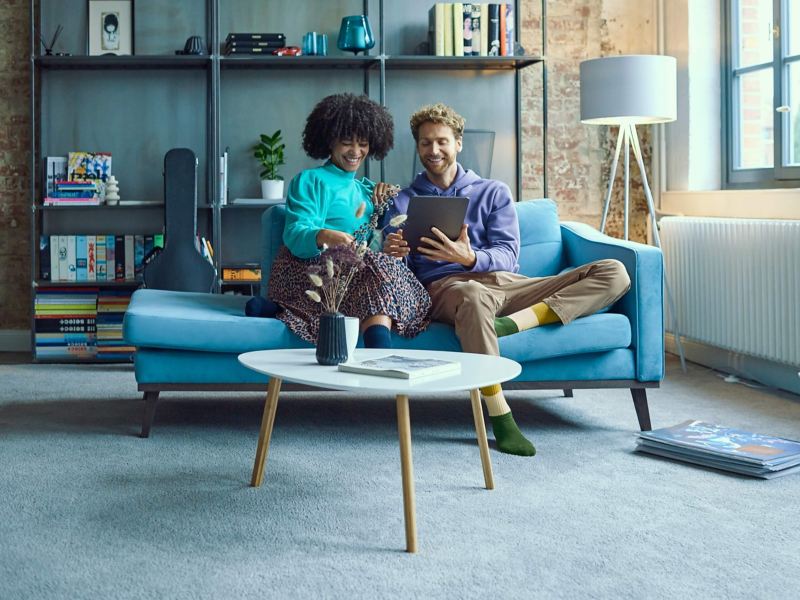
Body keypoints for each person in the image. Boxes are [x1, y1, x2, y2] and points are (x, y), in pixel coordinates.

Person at [383, 103, 631, 456]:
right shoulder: (404, 200)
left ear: (458, 143)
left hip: (505, 283)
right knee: (471, 293)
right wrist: (394, 251)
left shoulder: (493, 192)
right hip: (448, 289)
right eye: (425, 143)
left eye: (441, 141)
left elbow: (507, 255)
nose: (433, 151)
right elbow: (401, 271)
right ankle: (500, 415)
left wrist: (470, 257)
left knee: (613, 272)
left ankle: (510, 325)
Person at [262, 93, 431, 348]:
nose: (356, 152)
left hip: (353, 277)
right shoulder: (310, 180)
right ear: (329, 141)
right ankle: (379, 352)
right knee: (378, 270)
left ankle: (377, 356)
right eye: (346, 143)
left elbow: (381, 241)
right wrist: (326, 235)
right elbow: (296, 232)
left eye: (363, 144)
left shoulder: (368, 191)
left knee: (381, 269)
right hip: (307, 271)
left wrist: (387, 200)